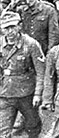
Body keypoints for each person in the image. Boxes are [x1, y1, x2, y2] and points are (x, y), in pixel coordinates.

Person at [0, 10, 45, 138]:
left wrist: (38, 94)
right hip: (5, 93)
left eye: (13, 27)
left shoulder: (31, 44)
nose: (10, 31)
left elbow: (41, 72)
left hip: (26, 93)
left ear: (19, 26)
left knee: (33, 126)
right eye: (6, 28)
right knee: (3, 130)